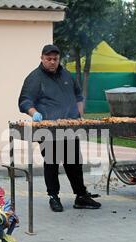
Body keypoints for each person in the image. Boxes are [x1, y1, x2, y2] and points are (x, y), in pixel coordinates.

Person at [18, 44, 101, 212]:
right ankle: (53, 197)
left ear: (58, 59)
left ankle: (81, 197)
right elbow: (25, 100)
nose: (52, 62)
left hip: (69, 127)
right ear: (42, 58)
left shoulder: (66, 75)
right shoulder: (34, 78)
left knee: (74, 162)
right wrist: (34, 113)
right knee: (52, 162)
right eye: (48, 59)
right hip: (48, 129)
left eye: (55, 59)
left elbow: (78, 95)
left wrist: (79, 115)